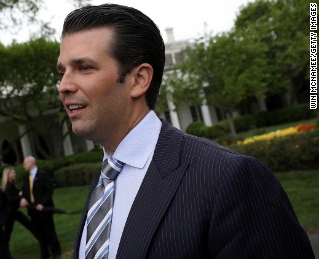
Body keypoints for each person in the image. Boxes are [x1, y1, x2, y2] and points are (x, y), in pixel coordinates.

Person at [57, 4, 315, 259]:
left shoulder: (228, 178)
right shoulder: (103, 186)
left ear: (138, 80)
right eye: (62, 71)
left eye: (84, 68)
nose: (64, 85)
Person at [20, 156, 61, 259]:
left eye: (25, 164)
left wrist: (42, 203)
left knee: (49, 230)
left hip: (44, 209)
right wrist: (23, 198)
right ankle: (44, 253)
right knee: (39, 232)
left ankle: (56, 251)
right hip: (32, 209)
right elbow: (25, 191)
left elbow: (49, 190)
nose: (23, 166)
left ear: (31, 163)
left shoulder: (42, 175)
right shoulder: (26, 177)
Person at [0, 166, 43, 253]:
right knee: (7, 234)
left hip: (15, 212)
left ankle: (43, 242)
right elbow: (10, 199)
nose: (14, 174)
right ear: (8, 175)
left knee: (30, 225)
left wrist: (22, 192)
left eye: (14, 172)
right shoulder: (7, 187)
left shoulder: (11, 185)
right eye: (13, 173)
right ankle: (3, 252)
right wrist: (19, 196)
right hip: (9, 214)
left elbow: (17, 192)